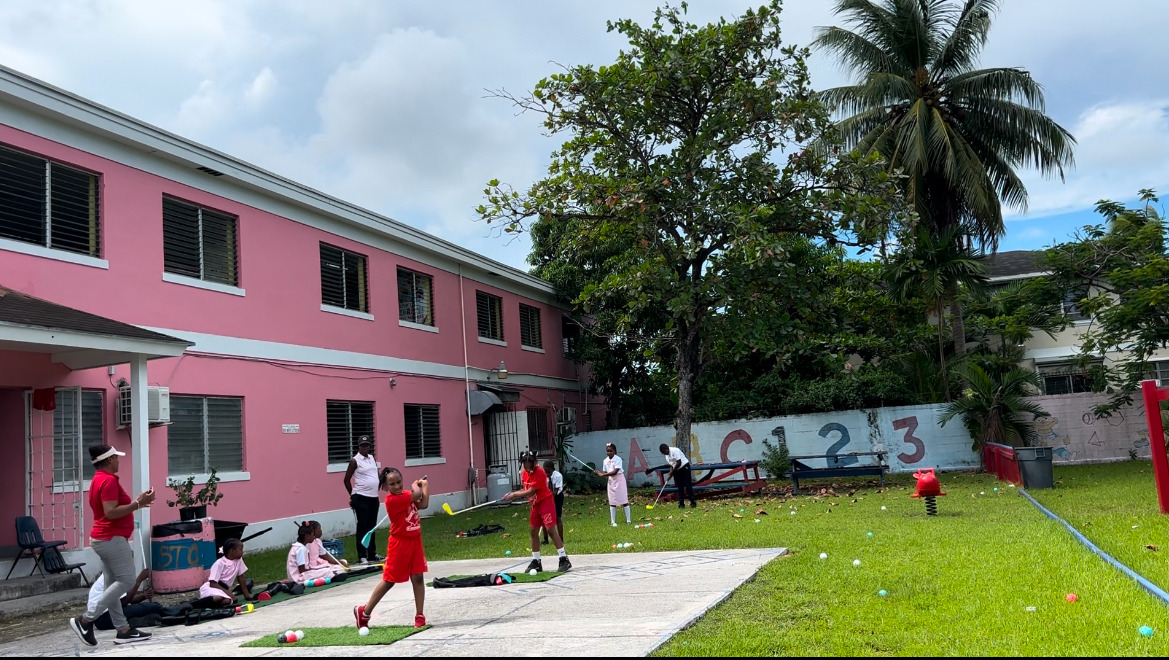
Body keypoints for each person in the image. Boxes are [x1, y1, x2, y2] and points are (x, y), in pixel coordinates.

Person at [69, 445, 156, 647]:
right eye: (116, 457)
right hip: (111, 539)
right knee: (126, 581)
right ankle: (85, 620)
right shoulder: (107, 481)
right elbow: (110, 512)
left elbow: (111, 510)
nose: (119, 460)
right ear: (109, 460)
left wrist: (139, 502)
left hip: (104, 538)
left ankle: (123, 629)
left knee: (111, 585)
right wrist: (137, 504)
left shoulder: (99, 479)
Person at [354, 468, 429, 630]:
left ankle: (420, 615)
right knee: (389, 580)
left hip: (415, 542)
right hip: (399, 544)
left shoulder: (406, 495)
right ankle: (364, 612)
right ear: (385, 487)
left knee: (418, 578)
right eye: (392, 484)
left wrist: (425, 486)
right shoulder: (392, 500)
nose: (396, 486)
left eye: (399, 482)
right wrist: (417, 485)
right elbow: (417, 495)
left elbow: (423, 503)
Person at [502, 453, 571, 573]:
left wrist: (513, 495)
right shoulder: (523, 473)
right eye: (525, 464)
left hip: (545, 502)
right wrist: (512, 494)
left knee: (550, 529)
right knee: (533, 531)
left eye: (530, 464)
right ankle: (536, 561)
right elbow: (525, 489)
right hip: (535, 504)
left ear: (535, 462)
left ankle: (563, 558)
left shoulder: (540, 472)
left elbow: (531, 490)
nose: (528, 468)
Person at [344, 436, 383, 564]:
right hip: (361, 496)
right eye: (362, 445)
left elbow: (375, 474)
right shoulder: (355, 461)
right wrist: (353, 495)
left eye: (367, 445)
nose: (365, 447)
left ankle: (372, 553)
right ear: (359, 446)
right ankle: (362, 555)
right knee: (362, 526)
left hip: (373, 497)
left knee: (372, 526)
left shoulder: (372, 458)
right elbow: (346, 479)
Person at [87, 569, 164, 631]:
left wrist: (143, 596)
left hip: (103, 618)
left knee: (148, 608)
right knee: (154, 607)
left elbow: (122, 601)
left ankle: (145, 619)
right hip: (104, 618)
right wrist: (139, 580)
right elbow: (124, 602)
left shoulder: (111, 574)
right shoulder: (113, 576)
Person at [199, 538, 253, 606]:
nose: (242, 552)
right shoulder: (220, 563)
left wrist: (247, 595)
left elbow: (241, 577)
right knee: (219, 598)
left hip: (222, 590)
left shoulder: (238, 560)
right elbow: (213, 584)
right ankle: (194, 604)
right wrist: (230, 594)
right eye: (240, 549)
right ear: (232, 550)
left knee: (227, 601)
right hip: (212, 588)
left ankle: (209, 603)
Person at [646, 444, 697, 508]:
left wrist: (672, 473)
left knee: (687, 485)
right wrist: (670, 474)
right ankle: (681, 503)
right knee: (679, 486)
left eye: (664, 452)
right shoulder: (667, 456)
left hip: (684, 467)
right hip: (677, 469)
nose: (665, 454)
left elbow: (679, 462)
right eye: (663, 453)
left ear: (666, 449)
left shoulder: (675, 450)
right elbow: (671, 466)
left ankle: (692, 502)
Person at [595, 443, 631, 526]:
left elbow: (615, 472)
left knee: (624, 500)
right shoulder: (605, 461)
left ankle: (628, 520)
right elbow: (605, 472)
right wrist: (598, 473)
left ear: (614, 451)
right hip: (611, 481)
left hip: (619, 480)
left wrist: (603, 474)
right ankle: (613, 521)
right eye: (607, 451)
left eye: (611, 451)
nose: (609, 452)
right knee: (612, 501)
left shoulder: (618, 459)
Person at [540, 460, 565, 545]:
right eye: (545, 471)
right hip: (545, 497)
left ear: (553, 469)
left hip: (557, 497)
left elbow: (556, 490)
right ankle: (545, 539)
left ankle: (561, 539)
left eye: (549, 472)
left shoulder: (558, 476)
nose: (547, 474)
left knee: (557, 517)